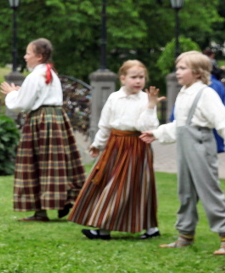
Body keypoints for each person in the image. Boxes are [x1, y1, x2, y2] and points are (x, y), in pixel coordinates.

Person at [141, 51, 225, 254]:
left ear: (198, 72)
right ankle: (185, 235)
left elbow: (223, 120)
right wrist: (157, 133)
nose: (177, 72)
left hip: (200, 143)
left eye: (182, 68)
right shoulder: (183, 93)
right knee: (185, 191)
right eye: (177, 68)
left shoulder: (206, 93)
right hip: (184, 144)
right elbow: (180, 125)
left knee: (209, 190)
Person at [69, 60, 161, 240]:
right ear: (123, 78)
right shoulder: (114, 98)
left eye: (141, 77)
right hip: (115, 145)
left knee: (137, 186)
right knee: (107, 182)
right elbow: (105, 125)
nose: (138, 81)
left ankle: (142, 229)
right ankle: (108, 228)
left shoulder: (146, 99)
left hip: (137, 146)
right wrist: (97, 144)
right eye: (134, 77)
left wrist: (150, 106)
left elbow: (148, 127)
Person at [1, 38, 85, 221]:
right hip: (56, 118)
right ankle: (64, 200)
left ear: (39, 57)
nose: (25, 56)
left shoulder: (35, 76)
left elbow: (22, 104)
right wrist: (20, 92)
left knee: (38, 163)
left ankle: (43, 210)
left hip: (40, 120)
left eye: (28, 53)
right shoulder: (51, 74)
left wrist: (12, 94)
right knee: (57, 162)